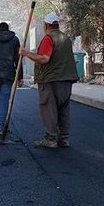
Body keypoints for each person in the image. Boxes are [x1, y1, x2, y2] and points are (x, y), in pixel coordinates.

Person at [19, 12, 78, 148]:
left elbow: (45, 58)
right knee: (63, 109)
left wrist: (26, 53)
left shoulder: (48, 38)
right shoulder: (66, 38)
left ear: (46, 25)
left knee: (49, 109)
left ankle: (50, 139)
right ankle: (63, 138)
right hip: (66, 80)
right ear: (57, 24)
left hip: (51, 81)